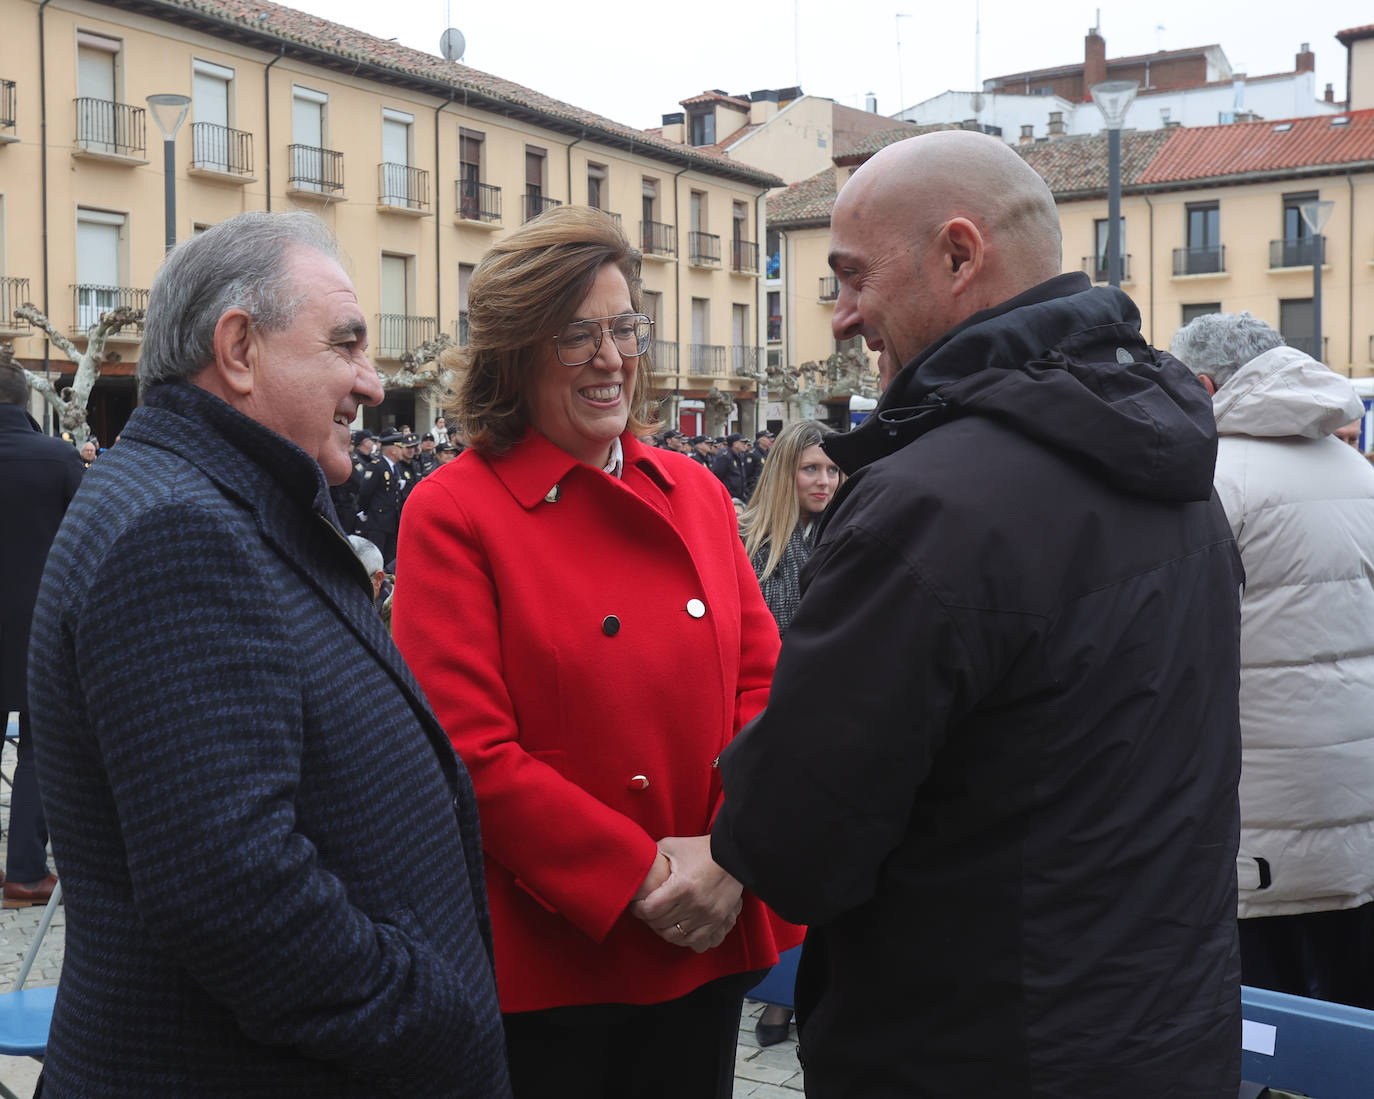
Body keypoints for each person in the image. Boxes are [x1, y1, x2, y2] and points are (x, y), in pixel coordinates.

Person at [710, 130, 1244, 1097]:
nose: (840, 317)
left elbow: (794, 844)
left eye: (852, 277)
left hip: (976, 1049)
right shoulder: (1177, 471)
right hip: (1165, 1037)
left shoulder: (930, 505)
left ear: (960, 256)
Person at [26, 211, 510, 1096]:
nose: (371, 381)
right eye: (346, 343)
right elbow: (236, 896)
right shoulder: (178, 529)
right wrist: (435, 1018)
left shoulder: (217, 496)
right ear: (239, 348)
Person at [391, 206, 798, 1099]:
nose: (611, 359)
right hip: (560, 950)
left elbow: (767, 683)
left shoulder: (689, 488)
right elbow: (467, 751)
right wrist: (647, 874)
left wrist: (728, 852)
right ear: (515, 354)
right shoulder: (455, 511)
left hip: (709, 919)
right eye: (575, 337)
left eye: (623, 329)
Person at [1171, 312, 1374, 1010]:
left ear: (1202, 385)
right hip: (1357, 808)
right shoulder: (1357, 470)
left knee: (1264, 1027)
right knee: (1351, 1014)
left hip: (1258, 826)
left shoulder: (1213, 482)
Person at [734, 418, 839, 1046]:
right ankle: (779, 998)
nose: (823, 480)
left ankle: (792, 1000)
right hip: (775, 724)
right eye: (811, 469)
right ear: (785, 474)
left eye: (831, 469)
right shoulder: (756, 542)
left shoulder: (843, 532)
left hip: (828, 725)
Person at [0, 363, 79, 909]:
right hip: (37, 627)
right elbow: (85, 541)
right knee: (38, 751)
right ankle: (25, 875)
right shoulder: (58, 458)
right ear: (26, 398)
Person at [710, 432, 750, 501]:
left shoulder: (740, 456)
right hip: (729, 496)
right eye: (742, 442)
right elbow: (717, 475)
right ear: (735, 444)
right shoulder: (725, 456)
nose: (745, 445)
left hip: (740, 495)